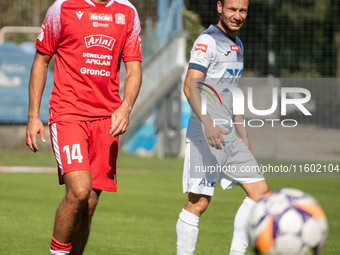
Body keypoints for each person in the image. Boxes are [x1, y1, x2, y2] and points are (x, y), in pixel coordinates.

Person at [26, 0, 142, 254]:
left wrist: (126, 107)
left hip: (106, 121)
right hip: (68, 113)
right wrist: (33, 115)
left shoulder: (128, 12)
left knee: (89, 203)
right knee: (79, 190)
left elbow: (133, 69)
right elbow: (41, 61)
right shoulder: (62, 8)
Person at [176, 0, 269, 254]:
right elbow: (190, 86)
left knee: (260, 193)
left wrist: (244, 136)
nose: (237, 16)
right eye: (231, 9)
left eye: (242, 11)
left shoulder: (238, 45)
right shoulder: (207, 41)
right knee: (199, 203)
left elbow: (233, 94)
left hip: (229, 135)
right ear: (219, 7)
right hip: (205, 134)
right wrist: (208, 123)